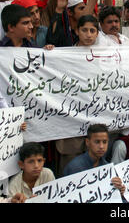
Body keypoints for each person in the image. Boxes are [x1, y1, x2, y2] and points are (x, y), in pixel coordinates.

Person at [54, 15, 101, 176]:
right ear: (76, 31)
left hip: (95, 122)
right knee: (69, 171)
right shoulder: (63, 55)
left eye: (92, 30)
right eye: (84, 30)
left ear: (97, 34)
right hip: (71, 126)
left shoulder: (106, 57)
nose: (88, 34)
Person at [62, 124, 125, 195]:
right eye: (97, 142)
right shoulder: (75, 167)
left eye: (104, 142)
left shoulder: (107, 168)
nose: (101, 146)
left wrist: (118, 190)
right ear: (87, 142)